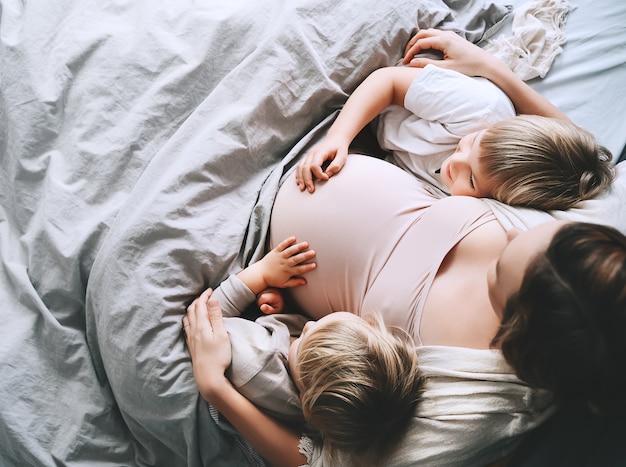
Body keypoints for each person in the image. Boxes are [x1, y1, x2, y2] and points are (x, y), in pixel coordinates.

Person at [264, 29, 625, 465]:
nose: (513, 231)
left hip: (271, 262)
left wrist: (217, 389)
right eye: (536, 232)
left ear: (517, 322)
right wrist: (492, 69)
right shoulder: (596, 243)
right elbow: (581, 160)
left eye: (499, 270)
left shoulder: (479, 406)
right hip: (320, 159)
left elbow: (335, 462)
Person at [295, 29, 614, 211]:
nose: (456, 163)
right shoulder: (480, 112)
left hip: (382, 146)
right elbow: (388, 83)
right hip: (391, 97)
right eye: (472, 144)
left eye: (472, 180)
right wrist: (338, 137)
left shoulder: (473, 205)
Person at [184, 238, 423, 466]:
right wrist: (278, 309)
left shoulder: (255, 363)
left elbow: (207, 319)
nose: (308, 325)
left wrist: (260, 275)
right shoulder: (331, 409)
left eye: (304, 338)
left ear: (305, 404)